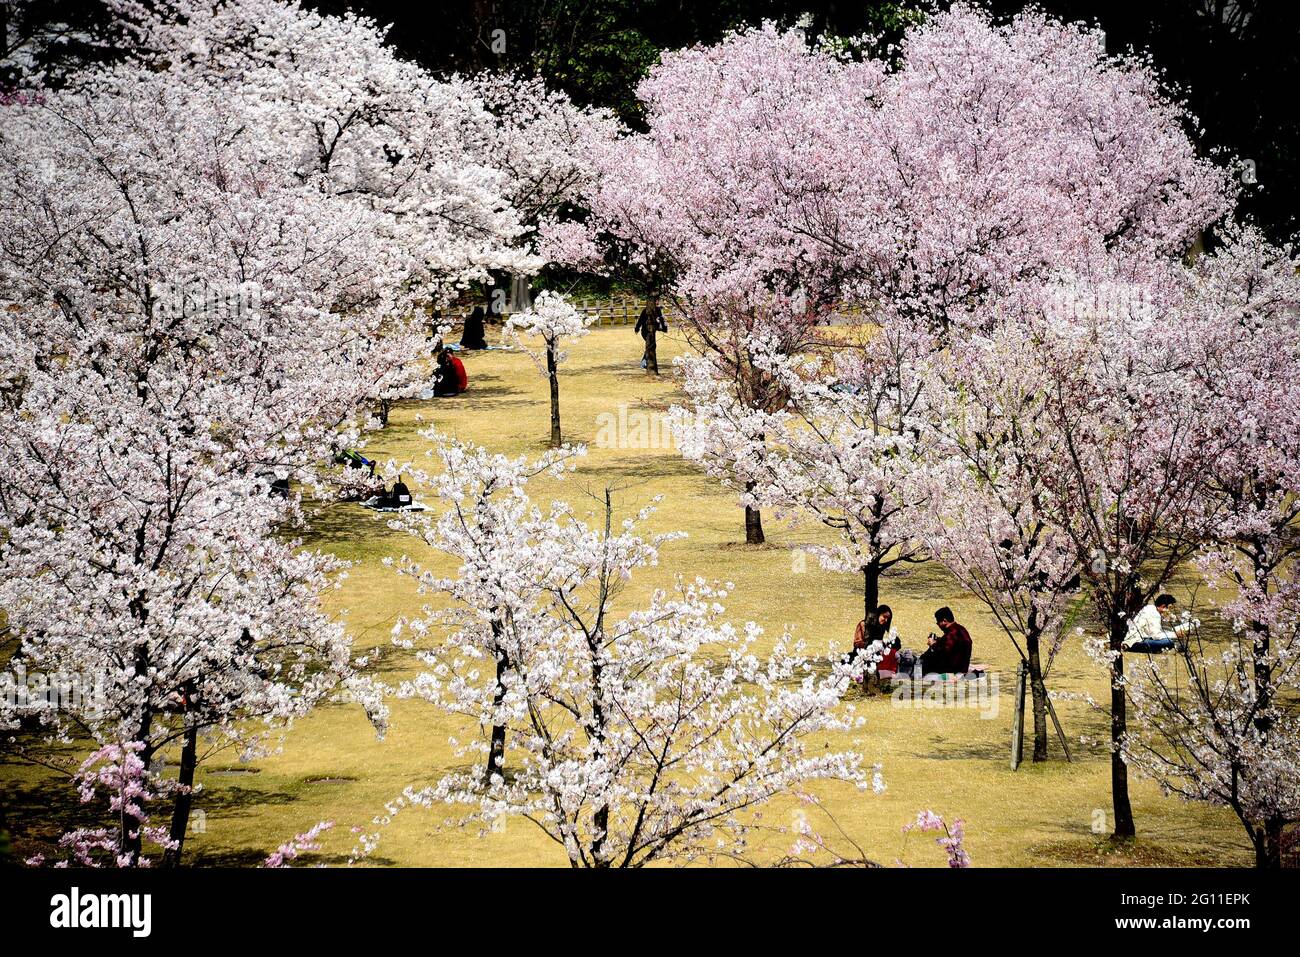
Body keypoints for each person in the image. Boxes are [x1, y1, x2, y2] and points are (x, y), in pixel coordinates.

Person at [1124, 593, 1190, 653]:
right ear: (1163, 606)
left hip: (1136, 638)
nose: (1169, 611)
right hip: (1136, 642)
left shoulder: (1150, 608)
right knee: (1169, 642)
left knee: (1167, 637)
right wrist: (1175, 635)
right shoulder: (1154, 614)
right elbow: (1156, 636)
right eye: (1169, 608)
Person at [918, 606, 972, 675]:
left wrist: (933, 644)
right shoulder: (960, 629)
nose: (938, 625)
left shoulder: (952, 633)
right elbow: (951, 645)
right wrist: (938, 640)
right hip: (962, 666)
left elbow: (944, 651)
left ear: (944, 621)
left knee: (923, 660)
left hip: (952, 669)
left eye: (938, 622)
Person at [854, 604, 900, 677]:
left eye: (888, 618)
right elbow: (857, 643)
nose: (886, 620)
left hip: (876, 658)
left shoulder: (882, 628)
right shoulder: (863, 625)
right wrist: (871, 646)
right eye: (884, 617)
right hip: (861, 656)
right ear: (878, 614)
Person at [634, 296, 668, 373]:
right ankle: (644, 363)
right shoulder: (646, 310)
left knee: (652, 345)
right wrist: (637, 328)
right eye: (656, 300)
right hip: (645, 331)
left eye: (658, 300)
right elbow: (640, 320)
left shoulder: (658, 309)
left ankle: (646, 362)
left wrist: (664, 328)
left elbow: (661, 319)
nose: (657, 302)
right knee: (651, 345)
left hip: (653, 330)